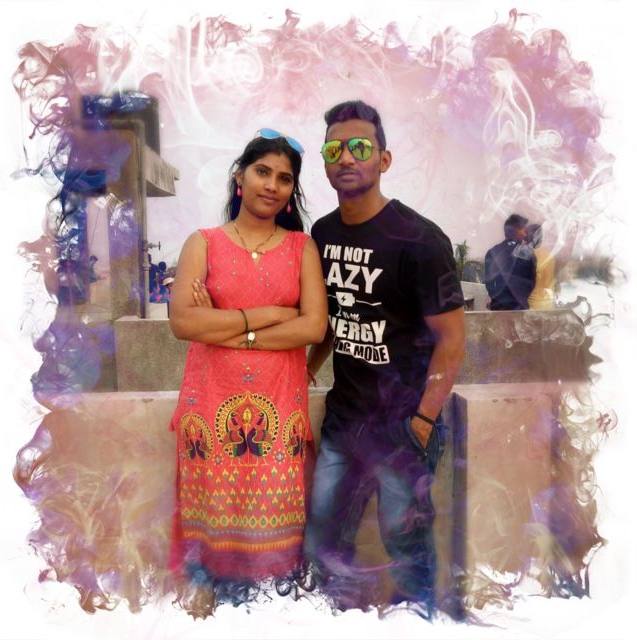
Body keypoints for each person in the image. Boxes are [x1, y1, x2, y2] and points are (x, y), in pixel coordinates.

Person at [303, 100, 466, 614]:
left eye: (359, 147)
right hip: (344, 420)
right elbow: (332, 316)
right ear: (325, 162)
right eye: (334, 149)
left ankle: (417, 619)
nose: (346, 158)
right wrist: (305, 370)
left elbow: (452, 340)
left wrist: (423, 420)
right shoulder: (322, 234)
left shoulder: (421, 239)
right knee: (322, 539)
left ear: (384, 159)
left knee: (406, 547)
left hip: (403, 425)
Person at [167, 130, 327, 613]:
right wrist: (270, 315)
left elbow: (314, 326)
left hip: (278, 408)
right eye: (262, 172)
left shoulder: (301, 247)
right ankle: (209, 602)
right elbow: (184, 322)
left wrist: (227, 328)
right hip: (211, 405)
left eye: (284, 178)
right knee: (212, 513)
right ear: (240, 177)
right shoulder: (203, 243)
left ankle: (270, 608)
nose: (272, 185)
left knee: (276, 516)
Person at [484, 213, 537, 310]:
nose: (525, 234)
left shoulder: (492, 252)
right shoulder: (527, 253)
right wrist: (520, 299)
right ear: (516, 230)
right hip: (519, 308)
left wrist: (497, 298)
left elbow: (488, 282)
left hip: (498, 307)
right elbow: (531, 283)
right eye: (523, 230)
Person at [526, 223, 555, 310]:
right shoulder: (547, 256)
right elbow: (548, 284)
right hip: (542, 303)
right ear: (541, 239)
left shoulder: (520, 255)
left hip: (524, 302)